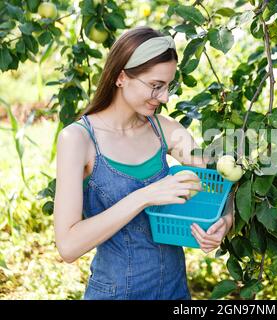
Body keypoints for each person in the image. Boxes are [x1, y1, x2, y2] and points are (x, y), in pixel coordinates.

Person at [53, 26, 235, 300]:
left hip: (174, 290)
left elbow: (222, 180)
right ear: (121, 77)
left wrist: (227, 219)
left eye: (168, 86)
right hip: (116, 293)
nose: (164, 98)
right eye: (155, 86)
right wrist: (145, 196)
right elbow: (68, 246)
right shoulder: (78, 140)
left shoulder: (165, 130)